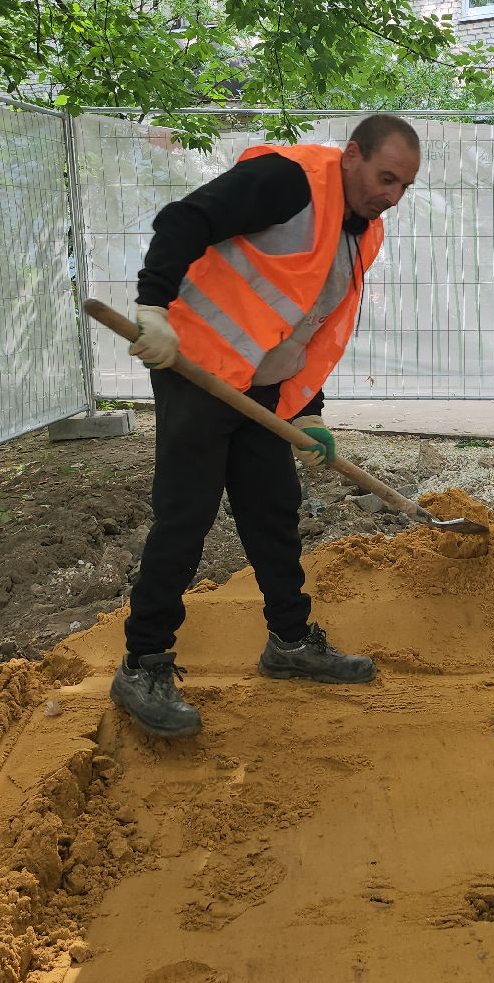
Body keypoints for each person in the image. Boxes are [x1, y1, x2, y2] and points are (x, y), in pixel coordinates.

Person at [110, 114, 422, 738]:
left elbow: (304, 317)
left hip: (260, 385)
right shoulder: (288, 181)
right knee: (186, 516)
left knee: (274, 509)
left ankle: (289, 640)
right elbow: (182, 220)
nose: (391, 195)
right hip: (197, 368)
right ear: (352, 155)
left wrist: (309, 409)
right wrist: (152, 307)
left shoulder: (361, 231)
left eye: (404, 187)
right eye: (385, 177)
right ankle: (143, 662)